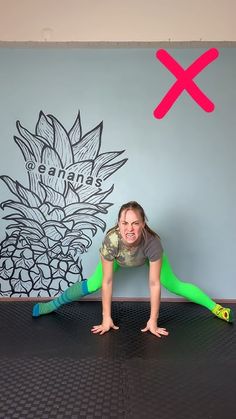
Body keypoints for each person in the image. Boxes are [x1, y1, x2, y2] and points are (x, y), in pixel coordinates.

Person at [33, 201, 233, 336]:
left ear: (143, 224)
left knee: (172, 284)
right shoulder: (111, 241)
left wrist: (153, 320)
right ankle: (50, 305)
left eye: (135, 223)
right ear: (118, 224)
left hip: (144, 258)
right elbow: (107, 281)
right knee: (93, 284)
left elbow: (154, 284)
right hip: (119, 259)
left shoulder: (152, 243)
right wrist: (106, 318)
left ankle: (217, 309)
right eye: (125, 223)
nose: (130, 228)